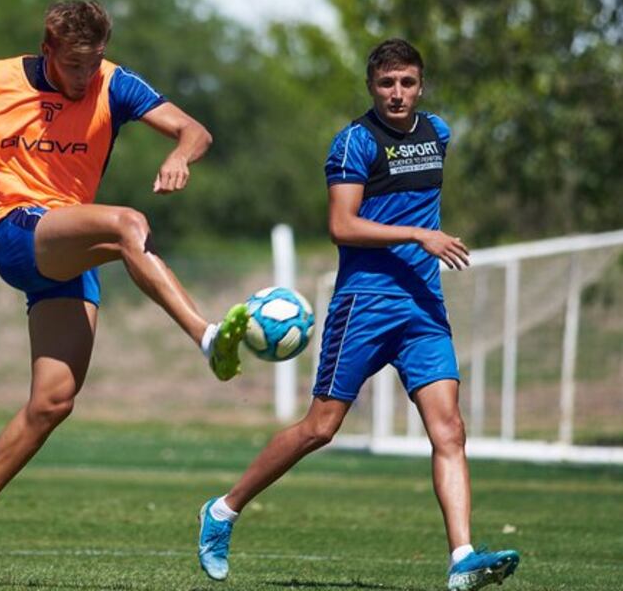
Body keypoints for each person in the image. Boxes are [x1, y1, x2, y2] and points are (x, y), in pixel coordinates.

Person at [0, 0, 249, 587]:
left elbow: (195, 130)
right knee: (127, 224)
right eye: (76, 64)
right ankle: (208, 337)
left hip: (69, 247)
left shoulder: (116, 85)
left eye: (95, 63)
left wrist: (180, 155)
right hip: (18, 232)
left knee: (54, 401)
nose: (86, 76)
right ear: (48, 49)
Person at [196, 39, 520, 591]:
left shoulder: (437, 133)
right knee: (320, 427)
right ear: (372, 86)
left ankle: (462, 558)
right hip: (363, 305)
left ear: (421, 85)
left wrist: (423, 240)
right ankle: (222, 511)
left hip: (422, 306)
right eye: (387, 83)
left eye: (408, 83)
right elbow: (342, 227)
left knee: (451, 430)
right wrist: (419, 234)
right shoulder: (354, 142)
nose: (398, 94)